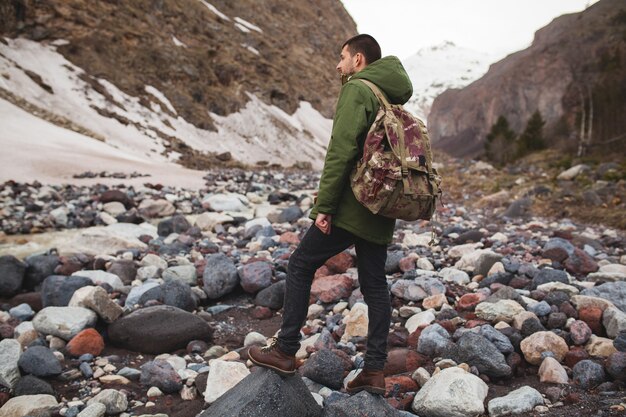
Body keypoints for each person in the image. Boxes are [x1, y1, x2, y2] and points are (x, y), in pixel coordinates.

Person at [249, 34, 413, 395]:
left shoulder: (359, 89)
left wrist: (324, 205)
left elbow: (341, 150)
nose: (338, 66)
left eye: (342, 58)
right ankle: (373, 371)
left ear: (358, 59)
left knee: (300, 264)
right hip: (381, 206)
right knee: (374, 285)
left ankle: (285, 350)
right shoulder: (391, 95)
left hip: (354, 203)